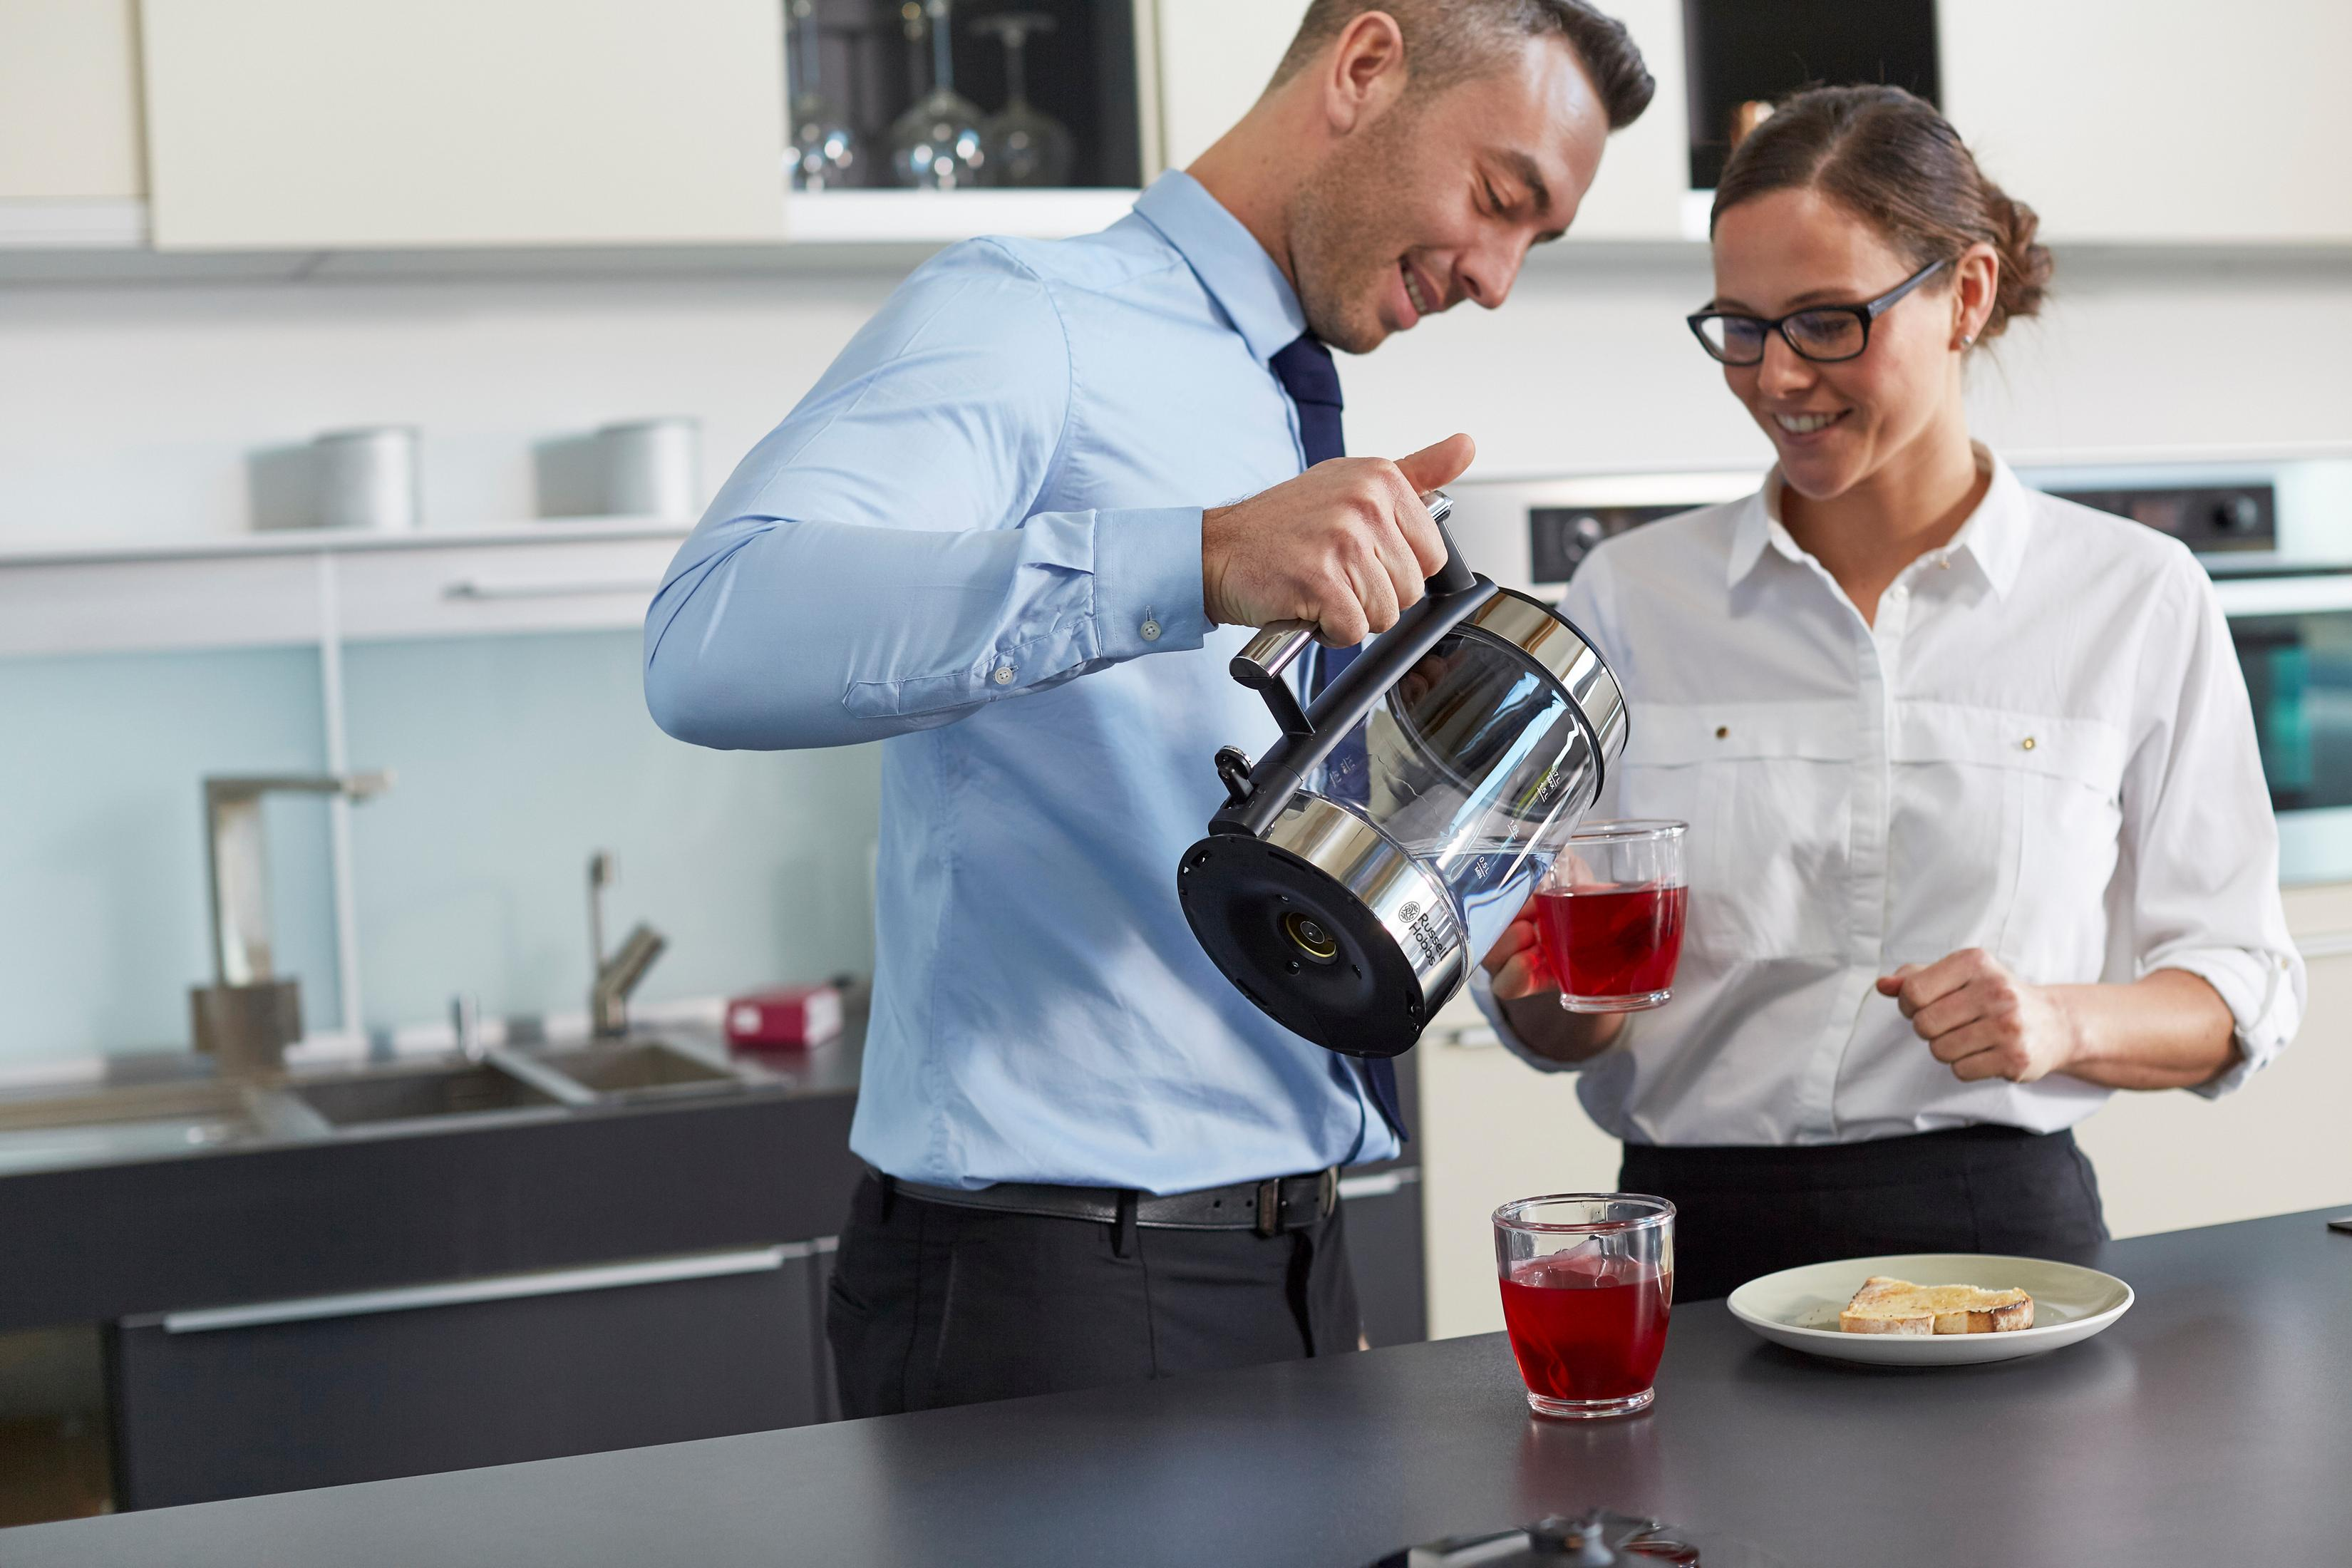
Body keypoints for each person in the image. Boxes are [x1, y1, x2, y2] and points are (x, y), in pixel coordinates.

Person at [644, 1, 1656, 1411]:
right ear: (1365, 69)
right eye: (1503, 200)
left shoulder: (1283, 412)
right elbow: (710, 637)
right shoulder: (1027, 315)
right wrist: (1188, 556)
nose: (1496, 280)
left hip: (1289, 1265)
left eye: (1535, 244)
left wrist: (1505, 966)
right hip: (1049, 1287)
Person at [1480, 85, 2305, 1304]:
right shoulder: (1630, 596)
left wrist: (2060, 1023)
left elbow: (2240, 984)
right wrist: (1554, 1008)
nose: (1776, 377)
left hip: (1995, 1232)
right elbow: (1560, 1005)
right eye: (1741, 328)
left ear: (1964, 295)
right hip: (1694, 1237)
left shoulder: (2133, 594)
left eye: (1826, 321)